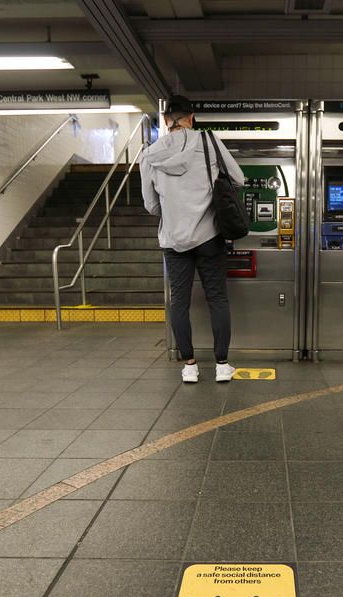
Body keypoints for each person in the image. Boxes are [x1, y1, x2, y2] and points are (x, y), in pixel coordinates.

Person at [141, 95, 245, 384]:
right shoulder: (209, 142)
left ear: (165, 120)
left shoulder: (149, 155)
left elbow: (150, 206)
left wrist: (174, 209)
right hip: (209, 236)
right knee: (217, 299)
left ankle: (189, 365)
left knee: (179, 302)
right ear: (191, 117)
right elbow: (238, 178)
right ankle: (222, 365)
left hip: (173, 240)